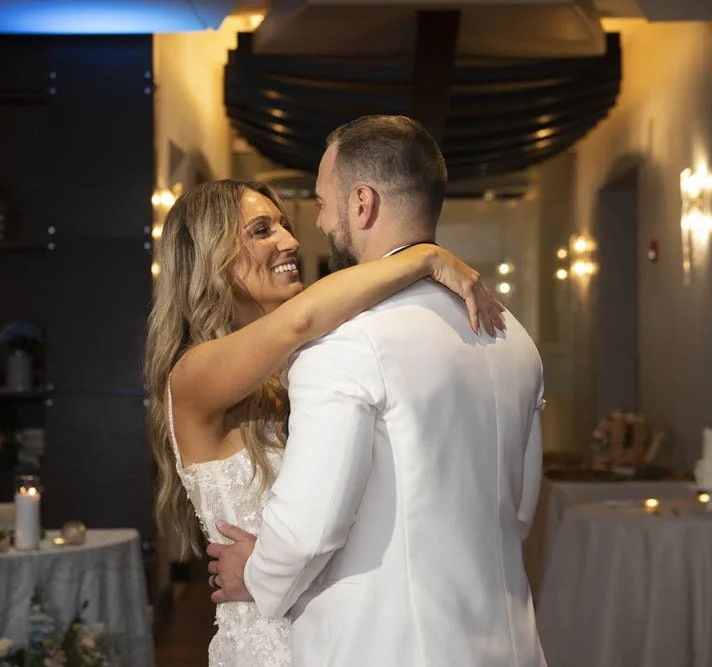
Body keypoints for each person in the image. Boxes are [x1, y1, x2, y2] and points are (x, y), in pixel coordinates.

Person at [207, 116, 548, 667]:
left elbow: (310, 527)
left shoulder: (347, 342)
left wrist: (258, 572)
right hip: (509, 644)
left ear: (362, 204)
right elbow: (522, 510)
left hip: (390, 646)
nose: (320, 223)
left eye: (323, 203)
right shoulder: (514, 337)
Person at [144, 177, 504, 666]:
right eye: (262, 230)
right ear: (210, 257)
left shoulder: (293, 366)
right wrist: (426, 257)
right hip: (267, 641)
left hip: (339, 632)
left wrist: (262, 567)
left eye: (284, 226)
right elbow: (301, 319)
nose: (290, 241)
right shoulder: (191, 375)